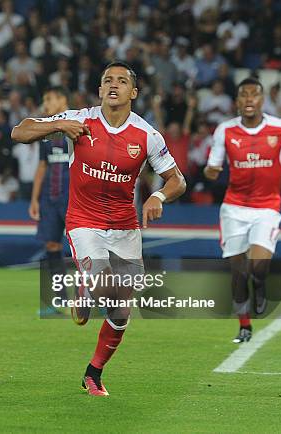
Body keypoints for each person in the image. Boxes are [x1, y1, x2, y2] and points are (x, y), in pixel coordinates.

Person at [12, 61, 186, 396]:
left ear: (133, 92)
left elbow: (177, 180)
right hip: (83, 222)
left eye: (122, 81)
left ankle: (93, 373)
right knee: (103, 284)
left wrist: (160, 196)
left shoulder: (147, 135)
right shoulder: (80, 120)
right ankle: (87, 286)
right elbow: (19, 132)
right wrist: (61, 124)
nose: (113, 85)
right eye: (107, 80)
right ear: (99, 89)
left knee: (121, 311)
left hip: (125, 227)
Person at [203, 77, 281, 344]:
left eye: (254, 94)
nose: (249, 99)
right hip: (234, 208)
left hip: (267, 207)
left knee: (259, 267)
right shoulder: (225, 130)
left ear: (262, 100)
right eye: (244, 94)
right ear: (238, 101)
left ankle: (261, 284)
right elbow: (211, 168)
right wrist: (211, 171)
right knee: (238, 272)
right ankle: (244, 326)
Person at [28, 86, 71, 315]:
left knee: (86, 248)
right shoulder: (45, 131)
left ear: (62, 99)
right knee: (52, 246)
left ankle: (101, 301)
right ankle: (59, 300)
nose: (45, 105)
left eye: (48, 99)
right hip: (50, 197)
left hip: (74, 196)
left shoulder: (78, 124)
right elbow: (42, 165)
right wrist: (34, 199)